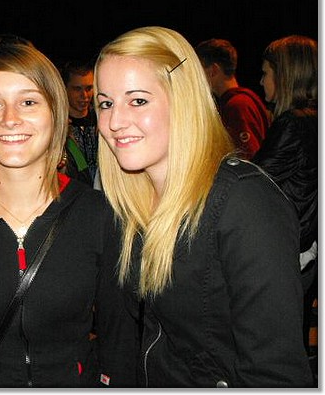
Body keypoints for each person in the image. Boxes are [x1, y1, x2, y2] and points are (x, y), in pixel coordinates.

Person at [94, 26, 312, 387]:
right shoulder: (131, 207)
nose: (114, 122)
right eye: (106, 103)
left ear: (183, 100)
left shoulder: (244, 203)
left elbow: (276, 374)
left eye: (138, 100)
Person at [0, 41, 131, 387]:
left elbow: (119, 341)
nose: (10, 119)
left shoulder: (98, 215)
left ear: (56, 112)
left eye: (29, 102)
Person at [252, 35, 318, 369]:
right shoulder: (312, 118)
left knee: (276, 344)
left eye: (265, 72)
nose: (261, 81)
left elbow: (254, 181)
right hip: (307, 246)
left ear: (285, 75)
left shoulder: (294, 122)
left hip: (291, 248)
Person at [195, 38, 270, 159]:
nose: (196, 77)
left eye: (198, 70)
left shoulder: (238, 105)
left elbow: (248, 158)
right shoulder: (240, 101)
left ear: (213, 70)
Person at [59, 60, 98, 186]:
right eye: (77, 89)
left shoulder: (104, 120)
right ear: (64, 88)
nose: (85, 95)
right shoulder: (57, 127)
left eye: (89, 88)